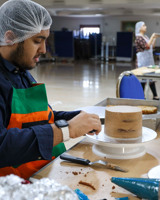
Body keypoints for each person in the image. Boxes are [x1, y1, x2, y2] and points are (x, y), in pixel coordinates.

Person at [0, 0, 101, 179]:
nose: (44, 49)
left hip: (43, 173)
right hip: (14, 187)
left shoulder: (20, 71)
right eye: (37, 41)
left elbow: (39, 117)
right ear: (10, 38)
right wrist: (66, 130)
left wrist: (76, 118)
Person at [135, 21, 160, 100]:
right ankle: (142, 96)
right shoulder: (138, 37)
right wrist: (152, 37)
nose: (145, 27)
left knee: (151, 77)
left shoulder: (145, 36)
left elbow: (152, 46)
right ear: (139, 28)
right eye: (144, 25)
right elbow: (147, 47)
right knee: (143, 79)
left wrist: (154, 39)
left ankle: (155, 96)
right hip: (142, 60)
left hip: (149, 59)